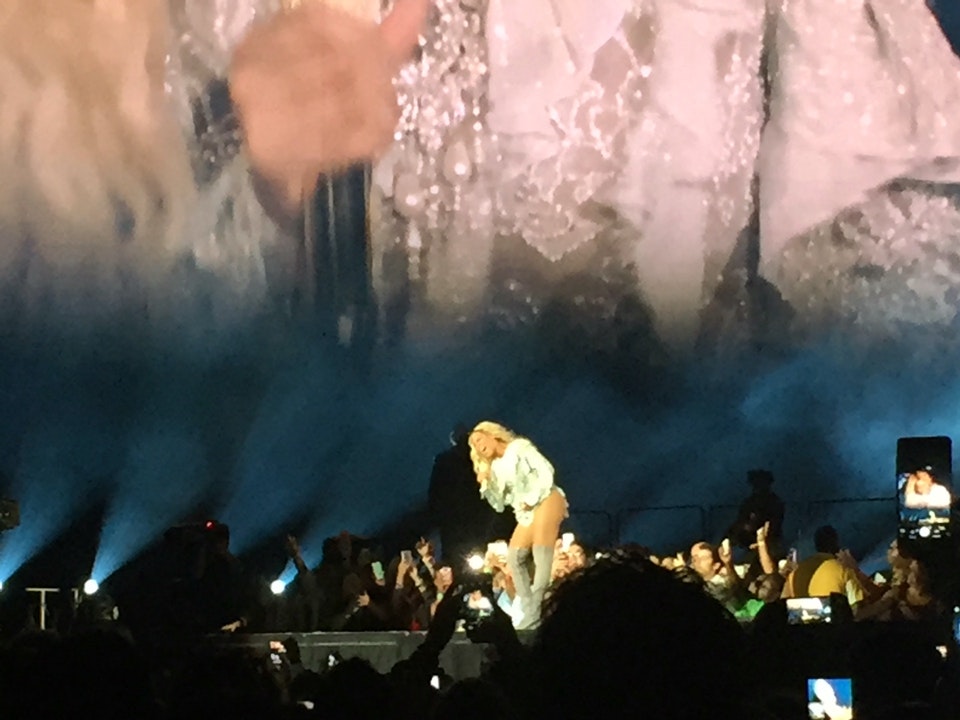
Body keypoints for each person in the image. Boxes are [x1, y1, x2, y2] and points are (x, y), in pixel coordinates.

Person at [468, 421, 568, 629]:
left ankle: (537, 607)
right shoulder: (494, 467)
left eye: (479, 440)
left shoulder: (520, 448)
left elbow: (546, 471)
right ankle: (529, 604)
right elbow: (499, 505)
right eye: (474, 446)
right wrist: (486, 485)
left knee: (541, 554)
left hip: (547, 497)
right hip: (527, 512)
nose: (478, 446)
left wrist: (532, 499)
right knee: (515, 556)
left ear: (491, 435)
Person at [428, 424, 514, 565]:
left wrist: (438, 517)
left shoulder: (444, 461)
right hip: (489, 516)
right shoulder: (485, 455)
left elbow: (435, 496)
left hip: (459, 526)